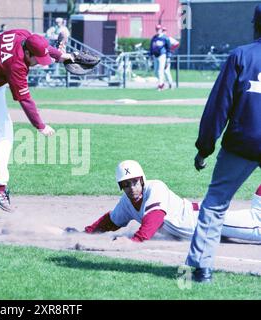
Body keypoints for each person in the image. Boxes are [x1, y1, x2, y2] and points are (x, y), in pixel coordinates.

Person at [185, 4, 261, 283]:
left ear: (256, 24)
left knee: (216, 204)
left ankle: (202, 268)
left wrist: (204, 148)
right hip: (243, 142)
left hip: (242, 143)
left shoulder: (240, 55)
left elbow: (219, 106)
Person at [0, 29, 74, 212]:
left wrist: (60, 55)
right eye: (36, 59)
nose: (38, 63)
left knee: (5, 134)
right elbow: (25, 100)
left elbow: (43, 47)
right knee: (4, 135)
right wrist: (40, 125)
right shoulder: (16, 64)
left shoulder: (23, 36)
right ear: (26, 52)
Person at [82, 160, 260, 245]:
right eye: (126, 185)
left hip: (203, 219)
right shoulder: (126, 202)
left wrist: (136, 240)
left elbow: (155, 218)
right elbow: (111, 221)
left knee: (256, 227)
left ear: (142, 180)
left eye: (135, 182)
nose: (132, 188)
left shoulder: (155, 187)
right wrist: (87, 232)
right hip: (196, 227)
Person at [149, 25, 171, 91]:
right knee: (156, 72)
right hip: (156, 56)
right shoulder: (154, 38)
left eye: (159, 29)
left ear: (161, 30)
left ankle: (160, 85)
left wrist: (168, 57)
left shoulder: (165, 38)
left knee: (160, 71)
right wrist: (150, 55)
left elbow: (168, 48)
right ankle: (162, 83)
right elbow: (151, 47)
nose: (158, 30)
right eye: (157, 29)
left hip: (162, 55)